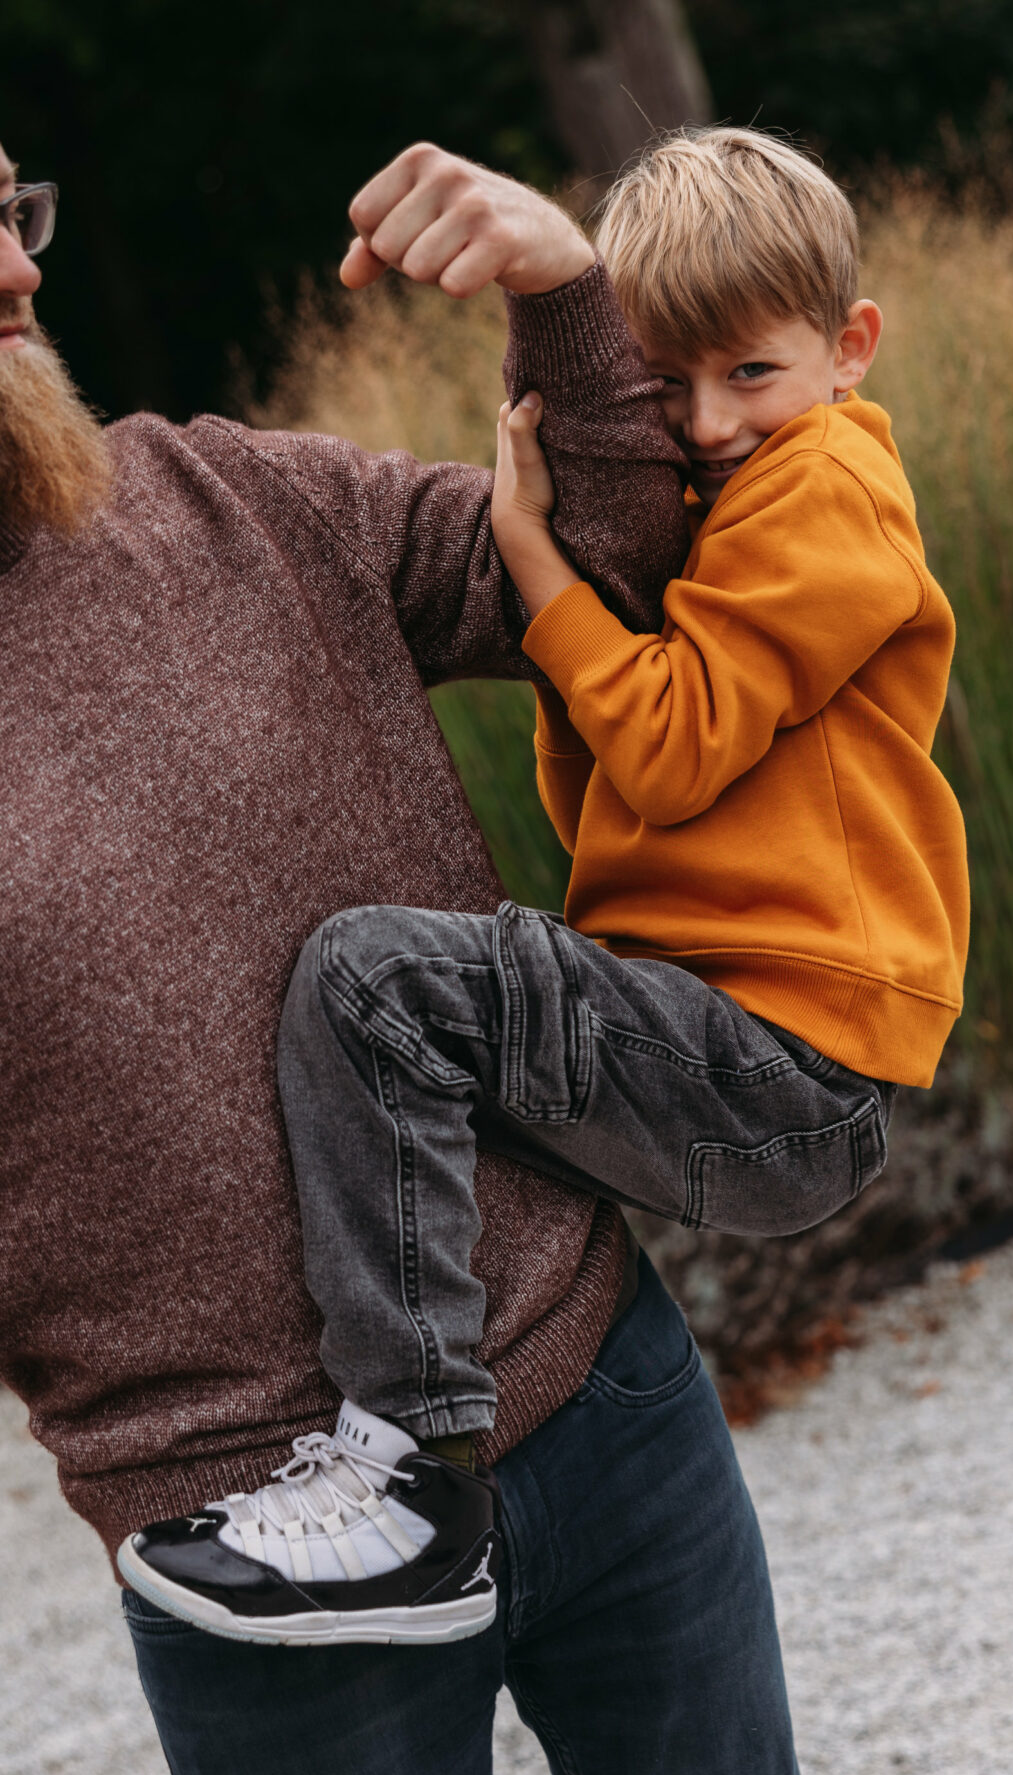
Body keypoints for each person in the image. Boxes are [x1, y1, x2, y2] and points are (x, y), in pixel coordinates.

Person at [0, 138, 806, 1775]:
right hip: (258, 1544)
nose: (20, 273)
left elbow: (618, 564)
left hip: (602, 1391)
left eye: (10, 212)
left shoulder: (225, 501)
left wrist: (566, 297)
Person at [116, 124, 970, 1670]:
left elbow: (671, 740)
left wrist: (534, 563)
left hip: (784, 1055)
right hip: (731, 1034)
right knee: (412, 1043)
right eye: (670, 389)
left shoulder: (830, 487)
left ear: (850, 349)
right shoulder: (757, 479)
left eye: (749, 378)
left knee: (382, 981)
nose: (709, 428)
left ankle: (414, 1471)